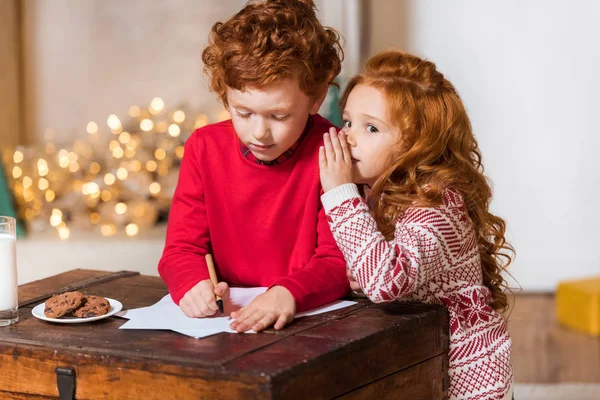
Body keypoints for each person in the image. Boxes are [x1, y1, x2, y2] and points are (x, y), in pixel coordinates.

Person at [319, 50, 514, 400]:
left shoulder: (437, 205)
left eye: (371, 127)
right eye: (347, 121)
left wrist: (338, 193)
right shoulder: (375, 193)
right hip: (414, 355)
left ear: (416, 143)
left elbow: (386, 282)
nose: (347, 136)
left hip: (465, 375)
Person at [158, 0, 349, 333]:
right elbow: (181, 248)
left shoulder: (332, 151)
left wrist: (289, 292)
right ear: (225, 96)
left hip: (309, 323)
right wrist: (192, 284)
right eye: (243, 112)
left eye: (279, 116)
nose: (259, 133)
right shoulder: (204, 148)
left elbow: (338, 259)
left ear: (316, 99)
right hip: (228, 322)